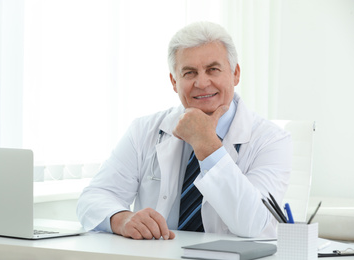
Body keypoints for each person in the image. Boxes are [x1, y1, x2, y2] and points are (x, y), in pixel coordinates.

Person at [77, 21, 292, 240]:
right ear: (174, 81)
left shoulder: (272, 140)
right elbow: (93, 198)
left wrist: (206, 144)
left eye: (213, 69)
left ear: (235, 73)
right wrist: (121, 218)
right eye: (189, 73)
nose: (201, 82)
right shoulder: (144, 131)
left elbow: (254, 224)